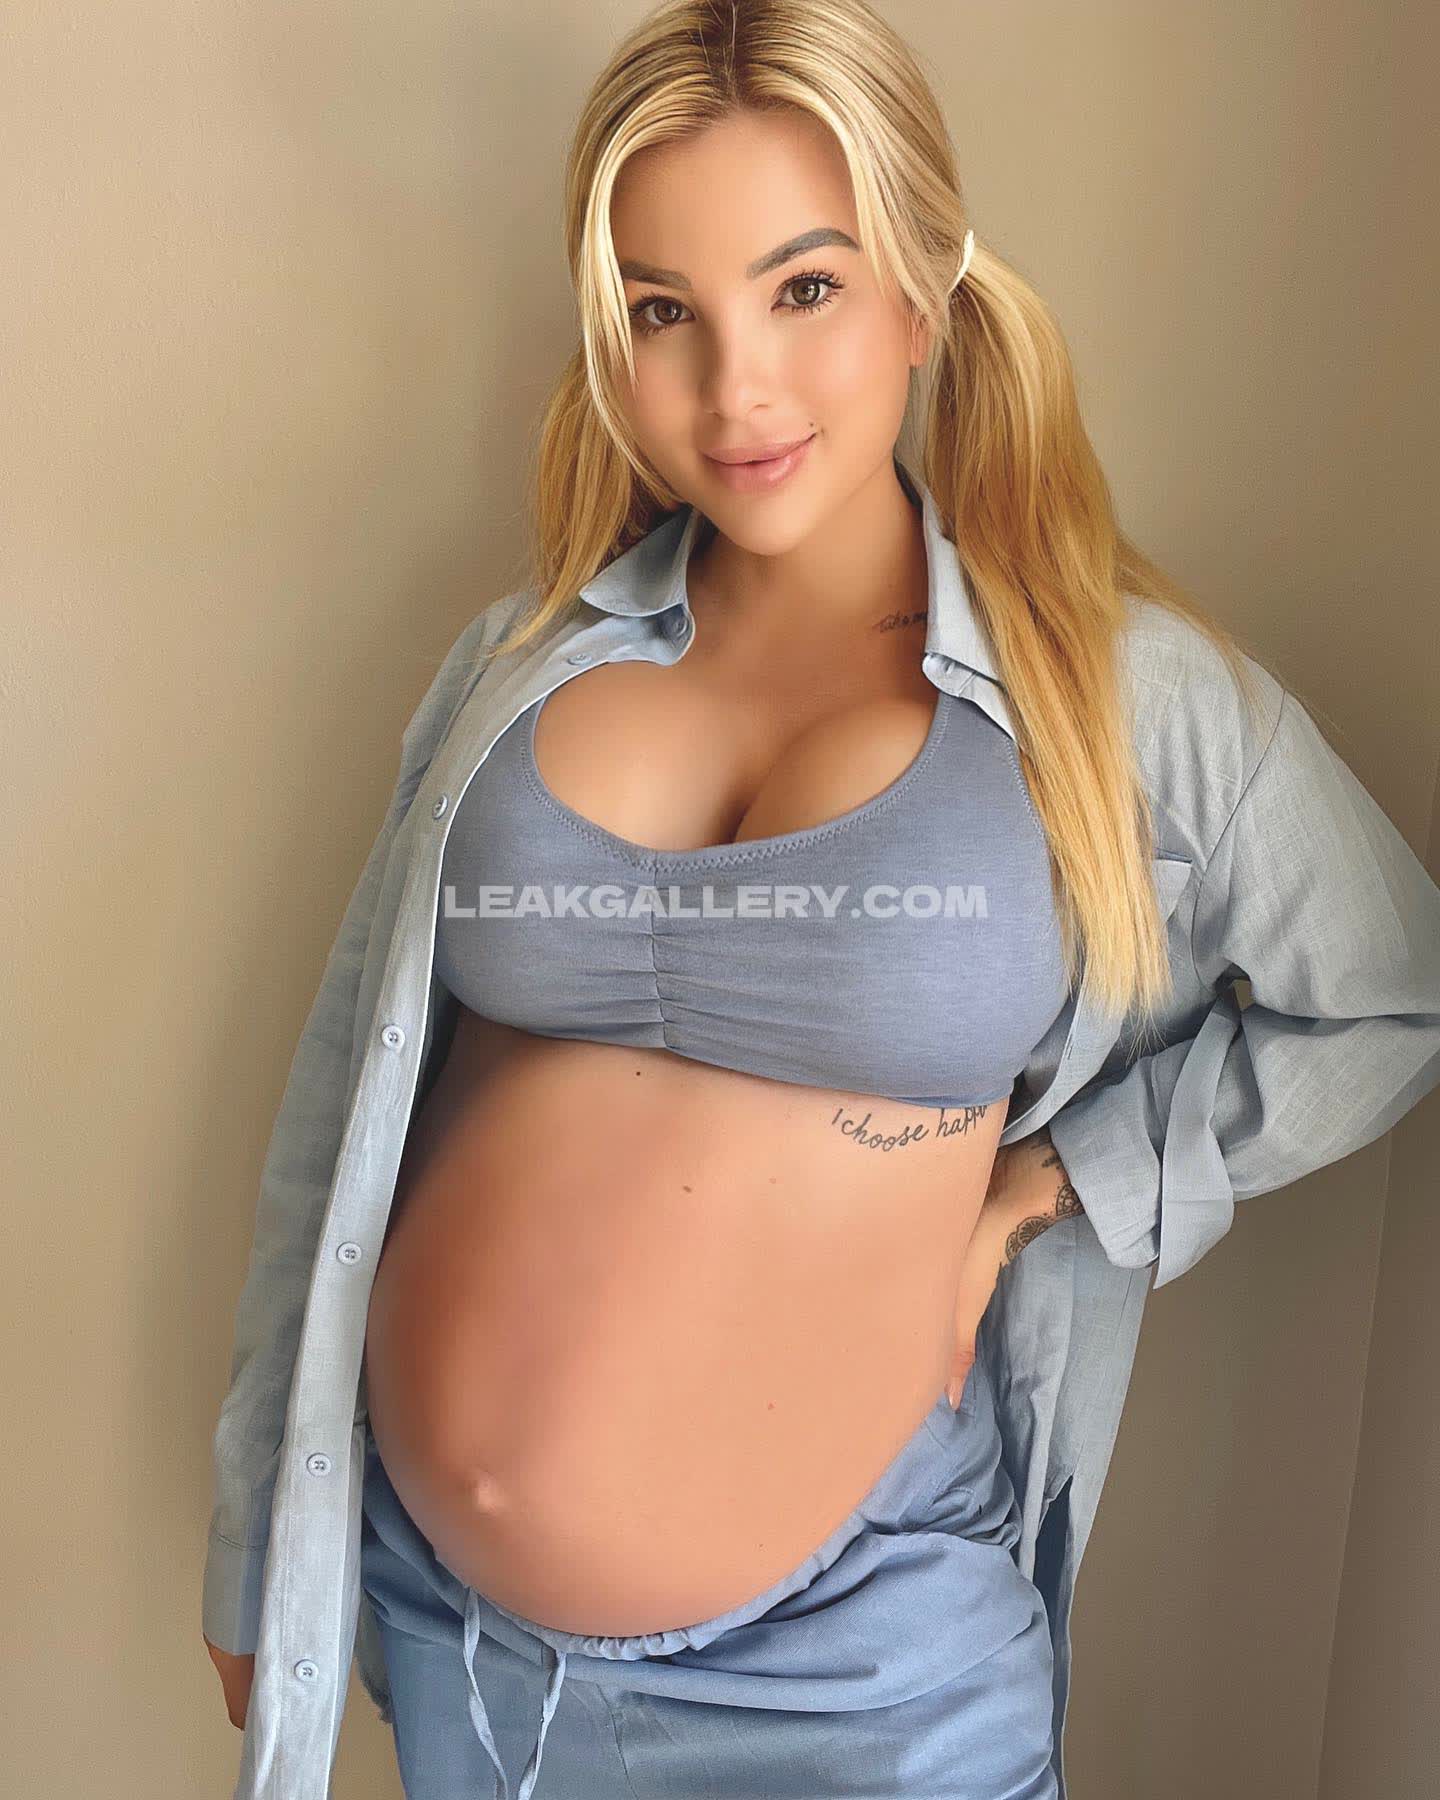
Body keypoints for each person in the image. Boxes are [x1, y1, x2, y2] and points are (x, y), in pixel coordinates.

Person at [201, 3, 1440, 1797]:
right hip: (458, 1653)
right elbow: (342, 1109)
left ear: (924, 292)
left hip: (864, 1681)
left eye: (804, 288)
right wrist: (262, 1533)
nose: (738, 391)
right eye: (663, 312)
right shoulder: (515, 664)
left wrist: (1049, 1187)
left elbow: (1390, 994)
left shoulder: (1117, 696)